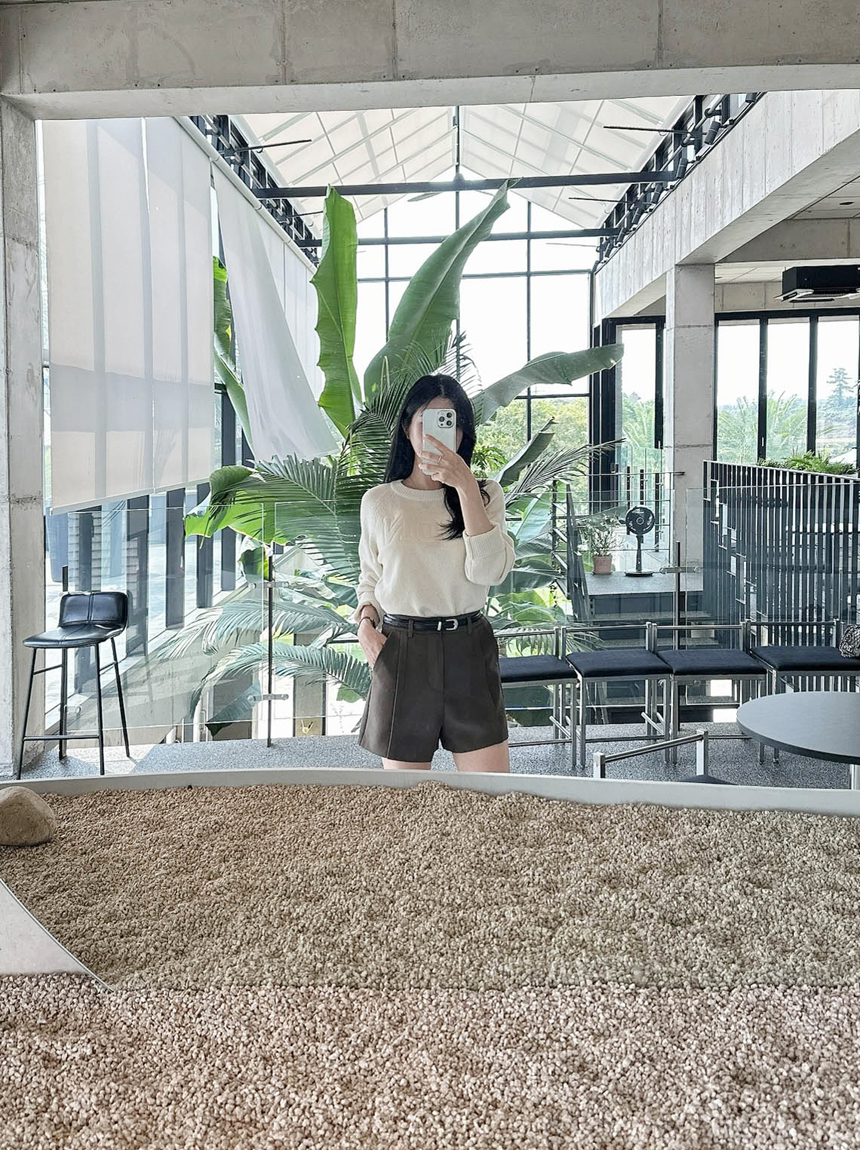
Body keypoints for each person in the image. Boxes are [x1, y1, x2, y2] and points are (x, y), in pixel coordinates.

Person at [350, 373, 517, 772]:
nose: (441, 433)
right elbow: (370, 578)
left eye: (451, 422)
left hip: (468, 647)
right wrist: (365, 624)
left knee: (489, 795)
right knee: (408, 800)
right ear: (407, 427)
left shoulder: (486, 494)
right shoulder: (380, 501)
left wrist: (465, 487)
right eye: (427, 420)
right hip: (402, 649)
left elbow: (490, 572)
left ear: (463, 432)